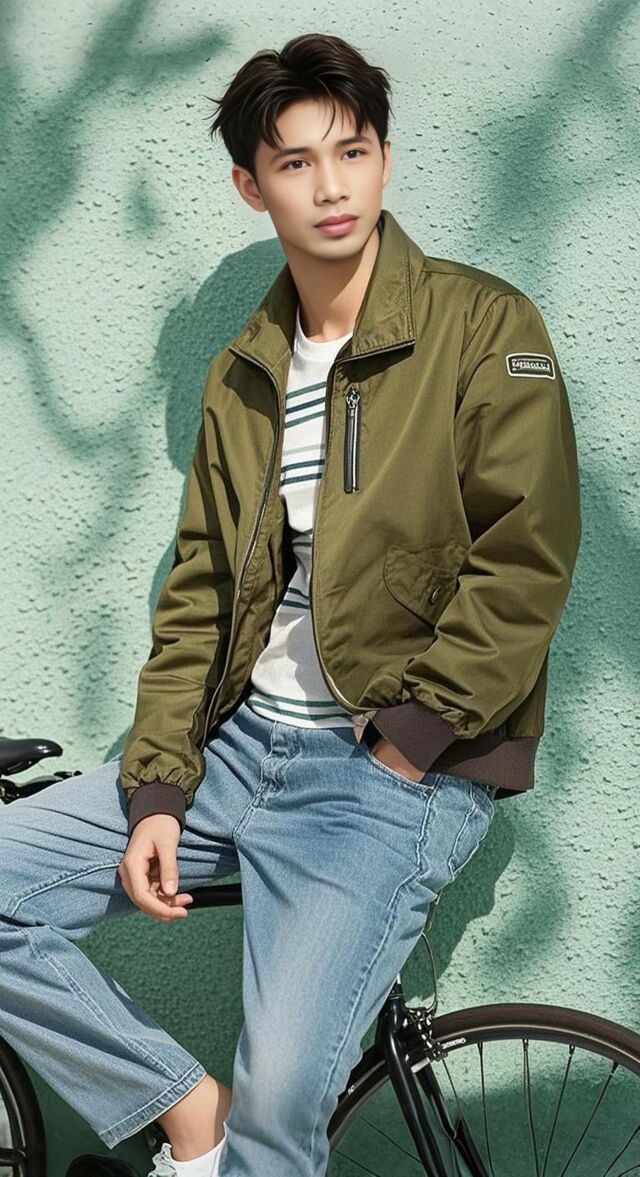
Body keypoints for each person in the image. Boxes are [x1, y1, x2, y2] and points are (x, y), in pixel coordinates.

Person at [0, 31, 581, 1177]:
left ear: (383, 160)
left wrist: (407, 745)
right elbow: (202, 592)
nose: (330, 186)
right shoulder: (246, 370)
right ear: (249, 185)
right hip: (236, 745)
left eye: (351, 152)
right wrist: (158, 784)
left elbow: (525, 554)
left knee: (280, 1118)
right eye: (296, 162)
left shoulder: (480, 326)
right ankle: (185, 1112)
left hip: (385, 772)